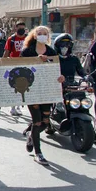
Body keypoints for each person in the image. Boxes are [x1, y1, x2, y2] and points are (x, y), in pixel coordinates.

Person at [20, 26, 64, 166]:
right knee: (37, 120)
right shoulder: (28, 51)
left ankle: (31, 135)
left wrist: (60, 77)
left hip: (47, 89)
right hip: (31, 89)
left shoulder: (51, 51)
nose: (42, 35)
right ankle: (38, 153)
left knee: (45, 121)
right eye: (40, 33)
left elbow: (56, 68)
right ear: (34, 35)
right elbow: (20, 68)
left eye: (45, 34)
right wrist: (36, 60)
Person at [51, 33, 96, 144]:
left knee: (83, 103)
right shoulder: (53, 59)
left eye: (68, 44)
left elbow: (81, 71)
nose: (65, 47)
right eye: (62, 44)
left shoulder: (74, 59)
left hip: (72, 85)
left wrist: (87, 77)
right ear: (57, 45)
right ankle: (48, 120)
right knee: (57, 106)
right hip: (57, 85)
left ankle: (92, 134)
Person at [4, 21, 27, 116]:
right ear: (16, 28)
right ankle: (13, 107)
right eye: (19, 28)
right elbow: (7, 52)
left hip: (25, 65)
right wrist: (3, 62)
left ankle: (19, 106)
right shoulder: (11, 39)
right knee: (15, 85)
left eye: (23, 28)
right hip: (13, 65)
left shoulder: (28, 38)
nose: (21, 30)